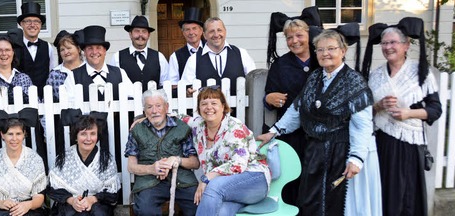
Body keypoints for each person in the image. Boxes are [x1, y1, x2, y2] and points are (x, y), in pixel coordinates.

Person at [257, 28, 382, 216]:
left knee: (335, 203)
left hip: (341, 151)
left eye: (331, 48)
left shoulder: (354, 82)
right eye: (320, 50)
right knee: (310, 200)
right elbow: (298, 110)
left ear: (343, 51)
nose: (325, 54)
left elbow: (362, 124)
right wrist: (274, 131)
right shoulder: (315, 77)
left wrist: (356, 158)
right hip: (315, 151)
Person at [362, 17, 442, 216]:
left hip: (408, 145)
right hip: (381, 143)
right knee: (383, 193)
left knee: (406, 197)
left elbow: (435, 109)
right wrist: (379, 106)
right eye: (385, 43)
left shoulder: (420, 72)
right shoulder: (376, 75)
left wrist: (408, 113)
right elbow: (365, 112)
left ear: (406, 45)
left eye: (393, 42)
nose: (388, 47)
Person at [178, 86, 270, 216]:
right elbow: (179, 117)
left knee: (213, 187)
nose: (209, 107)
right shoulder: (198, 125)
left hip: (254, 179)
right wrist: (142, 119)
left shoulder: (234, 127)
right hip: (229, 189)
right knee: (220, 212)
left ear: (223, 106)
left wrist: (207, 177)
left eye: (214, 103)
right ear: (199, 109)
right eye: (204, 104)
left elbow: (238, 164)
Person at [263, 6, 322, 207]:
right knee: (292, 179)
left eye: (299, 35)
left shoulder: (322, 59)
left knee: (315, 179)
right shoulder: (280, 65)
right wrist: (269, 98)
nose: (294, 41)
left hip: (318, 133)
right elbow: (268, 95)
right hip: (290, 135)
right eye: (289, 37)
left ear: (310, 34)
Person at [126, 89, 199, 216]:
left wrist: (176, 160)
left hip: (181, 180)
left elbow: (195, 162)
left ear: (166, 107)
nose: (154, 111)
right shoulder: (136, 130)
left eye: (158, 106)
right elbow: (131, 166)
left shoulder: (182, 128)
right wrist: (152, 169)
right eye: (149, 107)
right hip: (149, 182)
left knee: (198, 205)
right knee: (145, 210)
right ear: (145, 111)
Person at [48, 114, 121, 216]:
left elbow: (113, 193)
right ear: (76, 136)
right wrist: (72, 200)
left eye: (92, 133)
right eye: (83, 134)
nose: (88, 138)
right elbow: (53, 189)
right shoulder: (63, 158)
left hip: (97, 203)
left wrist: (92, 199)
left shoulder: (106, 159)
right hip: (70, 203)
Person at [0, 110, 48, 216]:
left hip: (27, 209)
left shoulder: (35, 159)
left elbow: (39, 198)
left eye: (18, 134)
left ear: (24, 134)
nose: (14, 139)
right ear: (2, 135)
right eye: (10, 134)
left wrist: (27, 205)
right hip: (0, 210)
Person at [181, 17, 256, 95]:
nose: (216, 35)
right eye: (211, 31)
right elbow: (186, 87)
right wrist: (188, 91)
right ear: (205, 35)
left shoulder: (241, 53)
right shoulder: (193, 59)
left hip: (239, 106)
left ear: (225, 32)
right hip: (207, 107)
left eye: (219, 30)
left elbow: (254, 81)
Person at [61, 25, 133, 102]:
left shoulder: (120, 73)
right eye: (90, 48)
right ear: (84, 52)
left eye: (98, 47)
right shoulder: (73, 76)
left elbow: (133, 98)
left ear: (105, 51)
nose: (94, 52)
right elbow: (69, 105)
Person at [109, 15, 169, 87]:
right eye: (137, 31)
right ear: (130, 34)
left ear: (148, 35)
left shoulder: (160, 57)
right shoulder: (117, 57)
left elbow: (165, 84)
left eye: (144, 32)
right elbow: (113, 84)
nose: (140, 35)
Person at [15, 1, 58, 99]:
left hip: (44, 98)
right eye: (28, 21)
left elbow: (51, 72)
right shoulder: (14, 47)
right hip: (21, 99)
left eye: (36, 21)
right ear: (21, 24)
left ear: (41, 25)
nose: (32, 25)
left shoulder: (47, 46)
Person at [0, 33, 33, 105]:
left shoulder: (24, 79)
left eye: (7, 50)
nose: (4, 53)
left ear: (13, 52)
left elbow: (34, 104)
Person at [168, 7, 205, 84]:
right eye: (187, 29)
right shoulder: (175, 57)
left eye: (194, 28)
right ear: (183, 33)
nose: (191, 32)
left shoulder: (212, 50)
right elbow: (173, 84)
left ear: (201, 31)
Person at [46, 30, 85, 102]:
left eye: (69, 48)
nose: (66, 52)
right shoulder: (54, 74)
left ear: (78, 49)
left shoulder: (88, 69)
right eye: (62, 50)